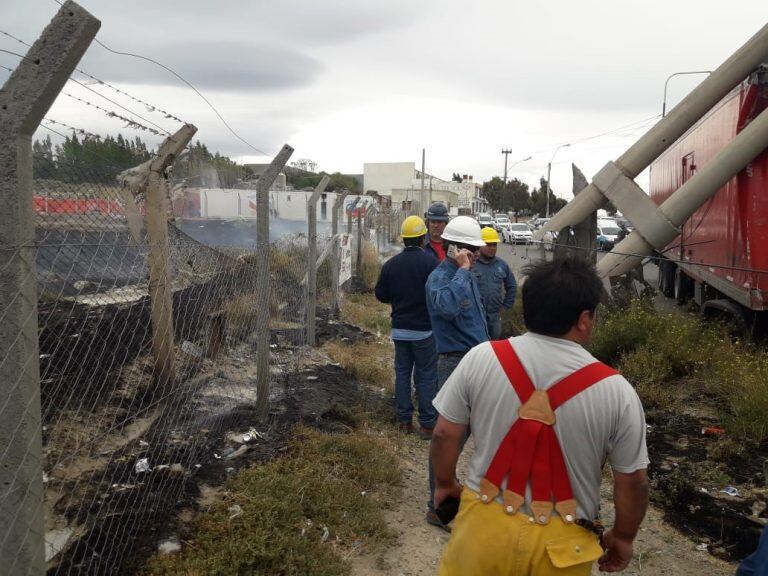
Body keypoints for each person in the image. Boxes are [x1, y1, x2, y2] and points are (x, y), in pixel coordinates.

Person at [431, 257, 649, 575]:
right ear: (584, 319)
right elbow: (632, 481)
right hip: (563, 546)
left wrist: (445, 484)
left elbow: (444, 434)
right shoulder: (618, 392)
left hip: (483, 531)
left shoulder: (482, 358)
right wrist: (624, 537)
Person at [424, 215, 489, 529]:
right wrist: (462, 271)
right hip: (454, 364)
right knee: (449, 436)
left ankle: (467, 498)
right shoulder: (441, 278)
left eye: (476, 250)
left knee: (481, 433)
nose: (476, 255)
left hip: (477, 361)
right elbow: (447, 308)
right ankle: (437, 507)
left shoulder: (468, 275)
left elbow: (477, 322)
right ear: (454, 249)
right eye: (470, 250)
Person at [375, 215, 439, 439]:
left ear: (404, 240)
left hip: (400, 330)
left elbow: (380, 294)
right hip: (425, 331)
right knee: (426, 375)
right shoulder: (431, 263)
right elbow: (438, 293)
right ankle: (428, 425)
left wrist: (398, 300)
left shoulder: (391, 265)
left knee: (402, 373)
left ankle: (404, 421)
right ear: (422, 238)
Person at [474, 227, 516, 340]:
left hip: (495, 317)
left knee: (494, 349)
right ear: (480, 245)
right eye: (488, 245)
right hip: (476, 317)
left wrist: (505, 306)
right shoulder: (472, 264)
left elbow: (512, 287)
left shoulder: (502, 265)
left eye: (494, 245)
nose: (492, 248)